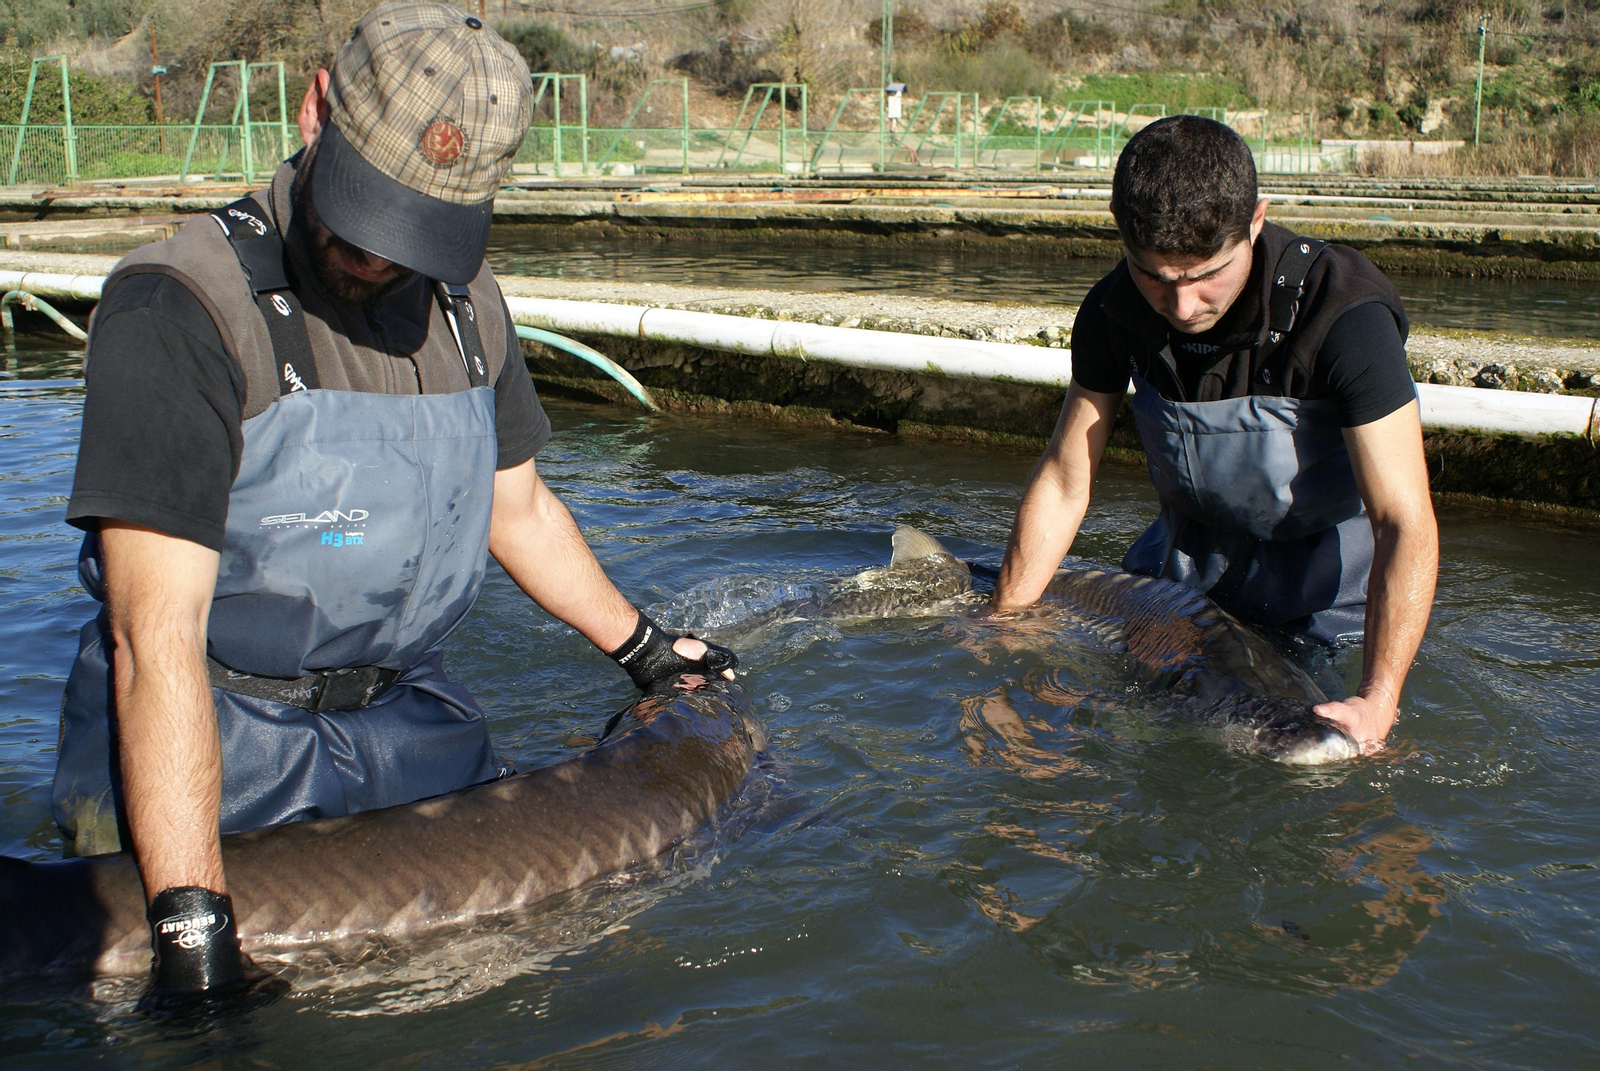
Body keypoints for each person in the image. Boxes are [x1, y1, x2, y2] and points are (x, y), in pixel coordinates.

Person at [52, 1, 734, 1004]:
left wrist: (642, 649)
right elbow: (153, 637)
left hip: (410, 718)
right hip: (218, 735)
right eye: (367, 211)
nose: (378, 258)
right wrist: (189, 918)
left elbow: (519, 507)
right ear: (315, 107)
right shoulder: (181, 306)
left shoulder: (467, 306)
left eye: (418, 229)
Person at [993, 115, 1437, 755]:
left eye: (1206, 275)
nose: (1181, 307)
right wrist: (1004, 626)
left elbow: (1403, 518)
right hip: (1179, 581)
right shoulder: (1113, 309)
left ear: (1255, 222)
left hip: (1327, 598)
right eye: (1156, 276)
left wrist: (1379, 695)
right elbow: (1066, 480)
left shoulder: (1343, 313)